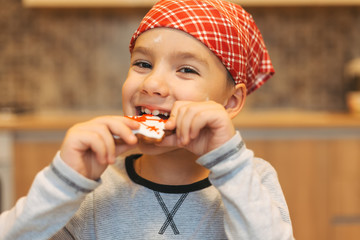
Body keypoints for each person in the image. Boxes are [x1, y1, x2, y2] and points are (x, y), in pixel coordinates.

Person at [0, 0, 294, 239]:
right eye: (143, 64)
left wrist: (230, 164)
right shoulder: (94, 189)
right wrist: (63, 183)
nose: (152, 83)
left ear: (230, 102)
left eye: (186, 70)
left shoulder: (250, 179)